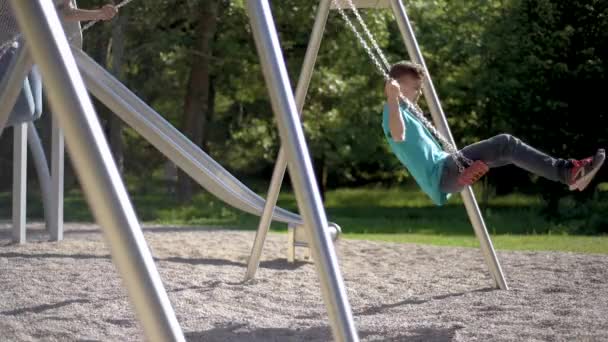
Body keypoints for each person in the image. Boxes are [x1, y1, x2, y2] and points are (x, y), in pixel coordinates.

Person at [382, 61, 605, 206]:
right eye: (416, 87)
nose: (419, 92)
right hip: (442, 173)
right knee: (505, 143)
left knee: (508, 151)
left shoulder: (405, 110)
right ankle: (567, 172)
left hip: (447, 170)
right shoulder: (391, 112)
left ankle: (572, 176)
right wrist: (393, 97)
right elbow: (399, 135)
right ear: (399, 86)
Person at [0, 1, 117, 128]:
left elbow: (66, 12)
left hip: (28, 46)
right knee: (25, 109)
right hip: (6, 42)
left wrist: (99, 14)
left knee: (35, 112)